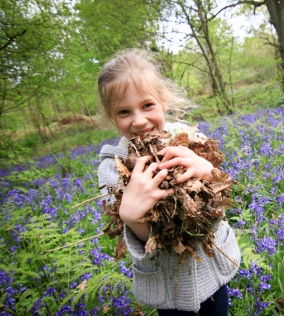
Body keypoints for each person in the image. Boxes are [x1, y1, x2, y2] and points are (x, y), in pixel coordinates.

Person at [97, 49, 241, 315]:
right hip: (167, 285)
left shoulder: (190, 141)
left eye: (147, 105)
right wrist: (131, 218)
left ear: (163, 101)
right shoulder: (112, 169)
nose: (139, 120)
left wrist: (209, 173)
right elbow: (152, 242)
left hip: (212, 269)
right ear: (111, 116)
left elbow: (218, 205)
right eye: (124, 111)